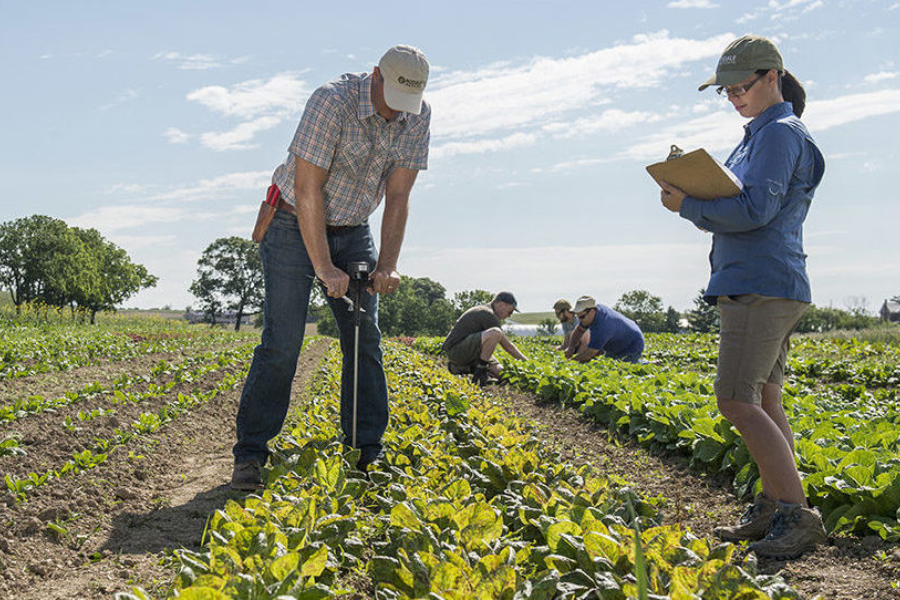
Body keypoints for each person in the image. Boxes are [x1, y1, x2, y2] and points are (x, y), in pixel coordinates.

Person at [231, 45, 431, 490]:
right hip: (290, 220)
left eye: (407, 104)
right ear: (376, 75)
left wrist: (389, 265)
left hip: (353, 224)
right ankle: (250, 453)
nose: (397, 112)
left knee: (364, 339)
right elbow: (307, 189)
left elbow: (398, 196)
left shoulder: (417, 115)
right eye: (391, 98)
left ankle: (367, 450)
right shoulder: (331, 101)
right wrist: (323, 266)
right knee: (283, 343)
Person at [660, 35, 826, 559]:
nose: (733, 97)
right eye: (725, 91)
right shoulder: (759, 135)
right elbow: (742, 200)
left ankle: (796, 515)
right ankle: (777, 504)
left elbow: (755, 212)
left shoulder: (779, 134)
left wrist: (686, 203)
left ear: (772, 77)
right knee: (766, 399)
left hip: (760, 282)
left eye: (740, 87)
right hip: (763, 279)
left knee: (735, 401)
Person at [442, 292, 528, 385]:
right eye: (510, 312)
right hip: (456, 351)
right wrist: (527, 363)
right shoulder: (487, 314)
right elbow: (508, 346)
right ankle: (480, 371)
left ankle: (462, 368)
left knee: (501, 372)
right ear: (502, 305)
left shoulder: (487, 311)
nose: (509, 315)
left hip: (470, 351)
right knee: (496, 332)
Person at [564, 295, 644, 363]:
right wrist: (571, 347)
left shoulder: (603, 325)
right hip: (614, 344)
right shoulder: (591, 314)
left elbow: (590, 352)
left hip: (633, 344)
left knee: (622, 368)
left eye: (582, 317)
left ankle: (649, 365)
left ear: (592, 311)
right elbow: (579, 330)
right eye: (578, 317)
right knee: (610, 365)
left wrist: (571, 362)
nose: (580, 320)